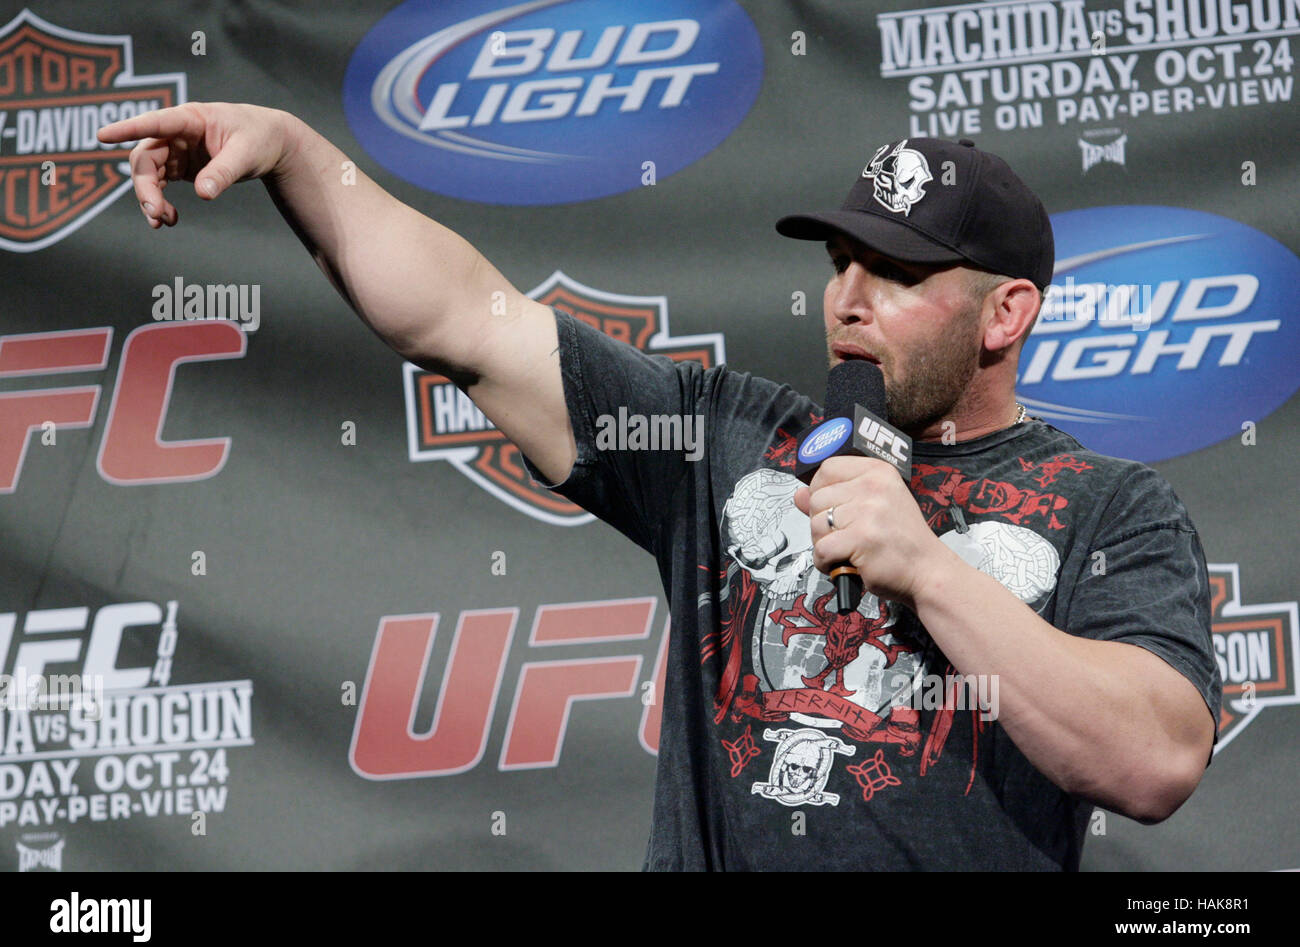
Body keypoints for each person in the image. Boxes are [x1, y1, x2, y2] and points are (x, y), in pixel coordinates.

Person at [99, 106, 1220, 871]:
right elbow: (459, 319)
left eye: (901, 273)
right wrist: (298, 150)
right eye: (840, 263)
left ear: (1006, 314)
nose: (848, 297)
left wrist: (926, 564)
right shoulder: (726, 439)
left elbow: (1155, 758)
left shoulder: (1106, 506)